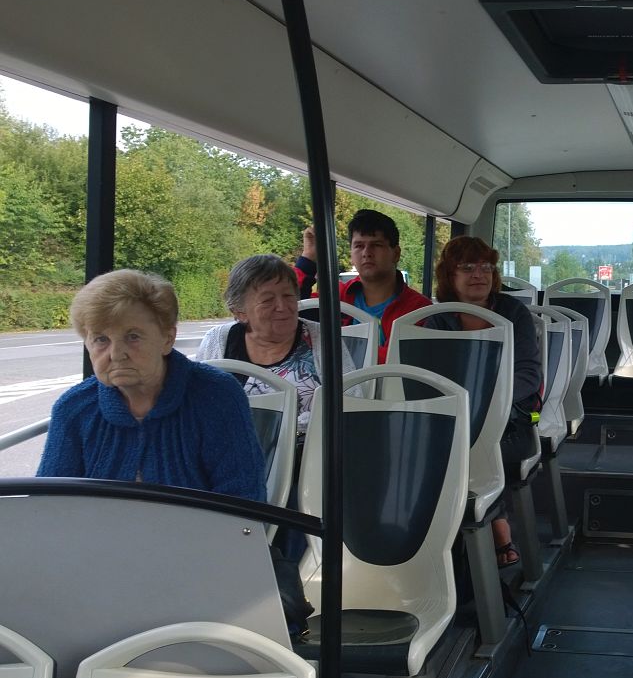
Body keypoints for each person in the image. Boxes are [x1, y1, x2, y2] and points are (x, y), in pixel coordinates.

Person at [38, 269, 265, 501]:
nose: (116, 354)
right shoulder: (74, 408)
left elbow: (244, 499)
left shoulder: (217, 396)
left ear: (167, 339)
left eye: (133, 337)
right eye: (101, 339)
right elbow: (47, 504)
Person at [427, 237, 542, 567]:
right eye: (467, 267)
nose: (479, 274)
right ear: (450, 275)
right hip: (454, 418)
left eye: (486, 267)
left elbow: (528, 374)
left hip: (510, 418)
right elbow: (429, 376)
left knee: (481, 444)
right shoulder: (438, 320)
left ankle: (495, 526)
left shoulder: (512, 313)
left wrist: (485, 404)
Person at [196, 254, 354, 433]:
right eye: (267, 300)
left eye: (288, 296)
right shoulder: (218, 341)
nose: (282, 306)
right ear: (240, 312)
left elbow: (353, 404)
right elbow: (197, 407)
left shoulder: (324, 339)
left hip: (312, 448)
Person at [294, 209, 432, 363]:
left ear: (396, 253)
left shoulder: (420, 310)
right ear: (351, 255)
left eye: (376, 245)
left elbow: (398, 362)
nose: (367, 253)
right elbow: (289, 309)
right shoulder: (337, 297)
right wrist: (308, 258)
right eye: (359, 246)